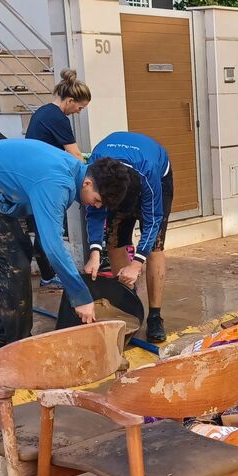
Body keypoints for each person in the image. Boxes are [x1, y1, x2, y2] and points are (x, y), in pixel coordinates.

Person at [0, 138, 130, 347]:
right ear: (87, 183)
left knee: (21, 252)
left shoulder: (75, 171)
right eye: (97, 200)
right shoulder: (57, 184)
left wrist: (94, 254)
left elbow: (48, 237)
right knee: (12, 267)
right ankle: (18, 347)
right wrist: (81, 296)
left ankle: (3, 335)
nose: (96, 206)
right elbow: (53, 246)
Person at [82, 132, 173, 343]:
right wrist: (95, 252)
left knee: (154, 247)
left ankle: (154, 316)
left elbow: (152, 220)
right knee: (114, 240)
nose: (97, 204)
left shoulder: (147, 169)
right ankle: (127, 307)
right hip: (117, 177)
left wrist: (136, 263)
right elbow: (95, 212)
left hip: (155, 176)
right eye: (99, 199)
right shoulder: (95, 169)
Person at [24, 69, 92, 288]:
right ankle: (51, 276)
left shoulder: (42, 112)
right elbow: (74, 155)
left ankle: (47, 274)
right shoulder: (58, 118)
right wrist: (91, 170)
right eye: (79, 108)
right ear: (70, 100)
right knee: (50, 230)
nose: (79, 112)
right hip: (45, 181)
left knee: (41, 229)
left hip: (32, 178)